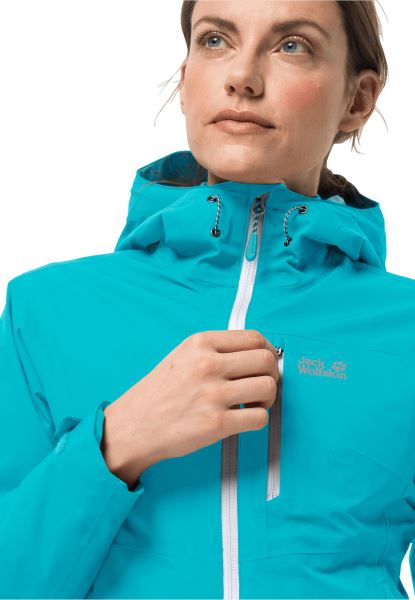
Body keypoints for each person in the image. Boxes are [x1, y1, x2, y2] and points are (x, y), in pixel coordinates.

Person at [1, 1, 414, 599]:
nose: (242, 76)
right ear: (187, 78)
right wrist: (117, 441)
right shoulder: (45, 311)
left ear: (358, 98)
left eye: (292, 45)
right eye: (215, 40)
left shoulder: (404, 333)